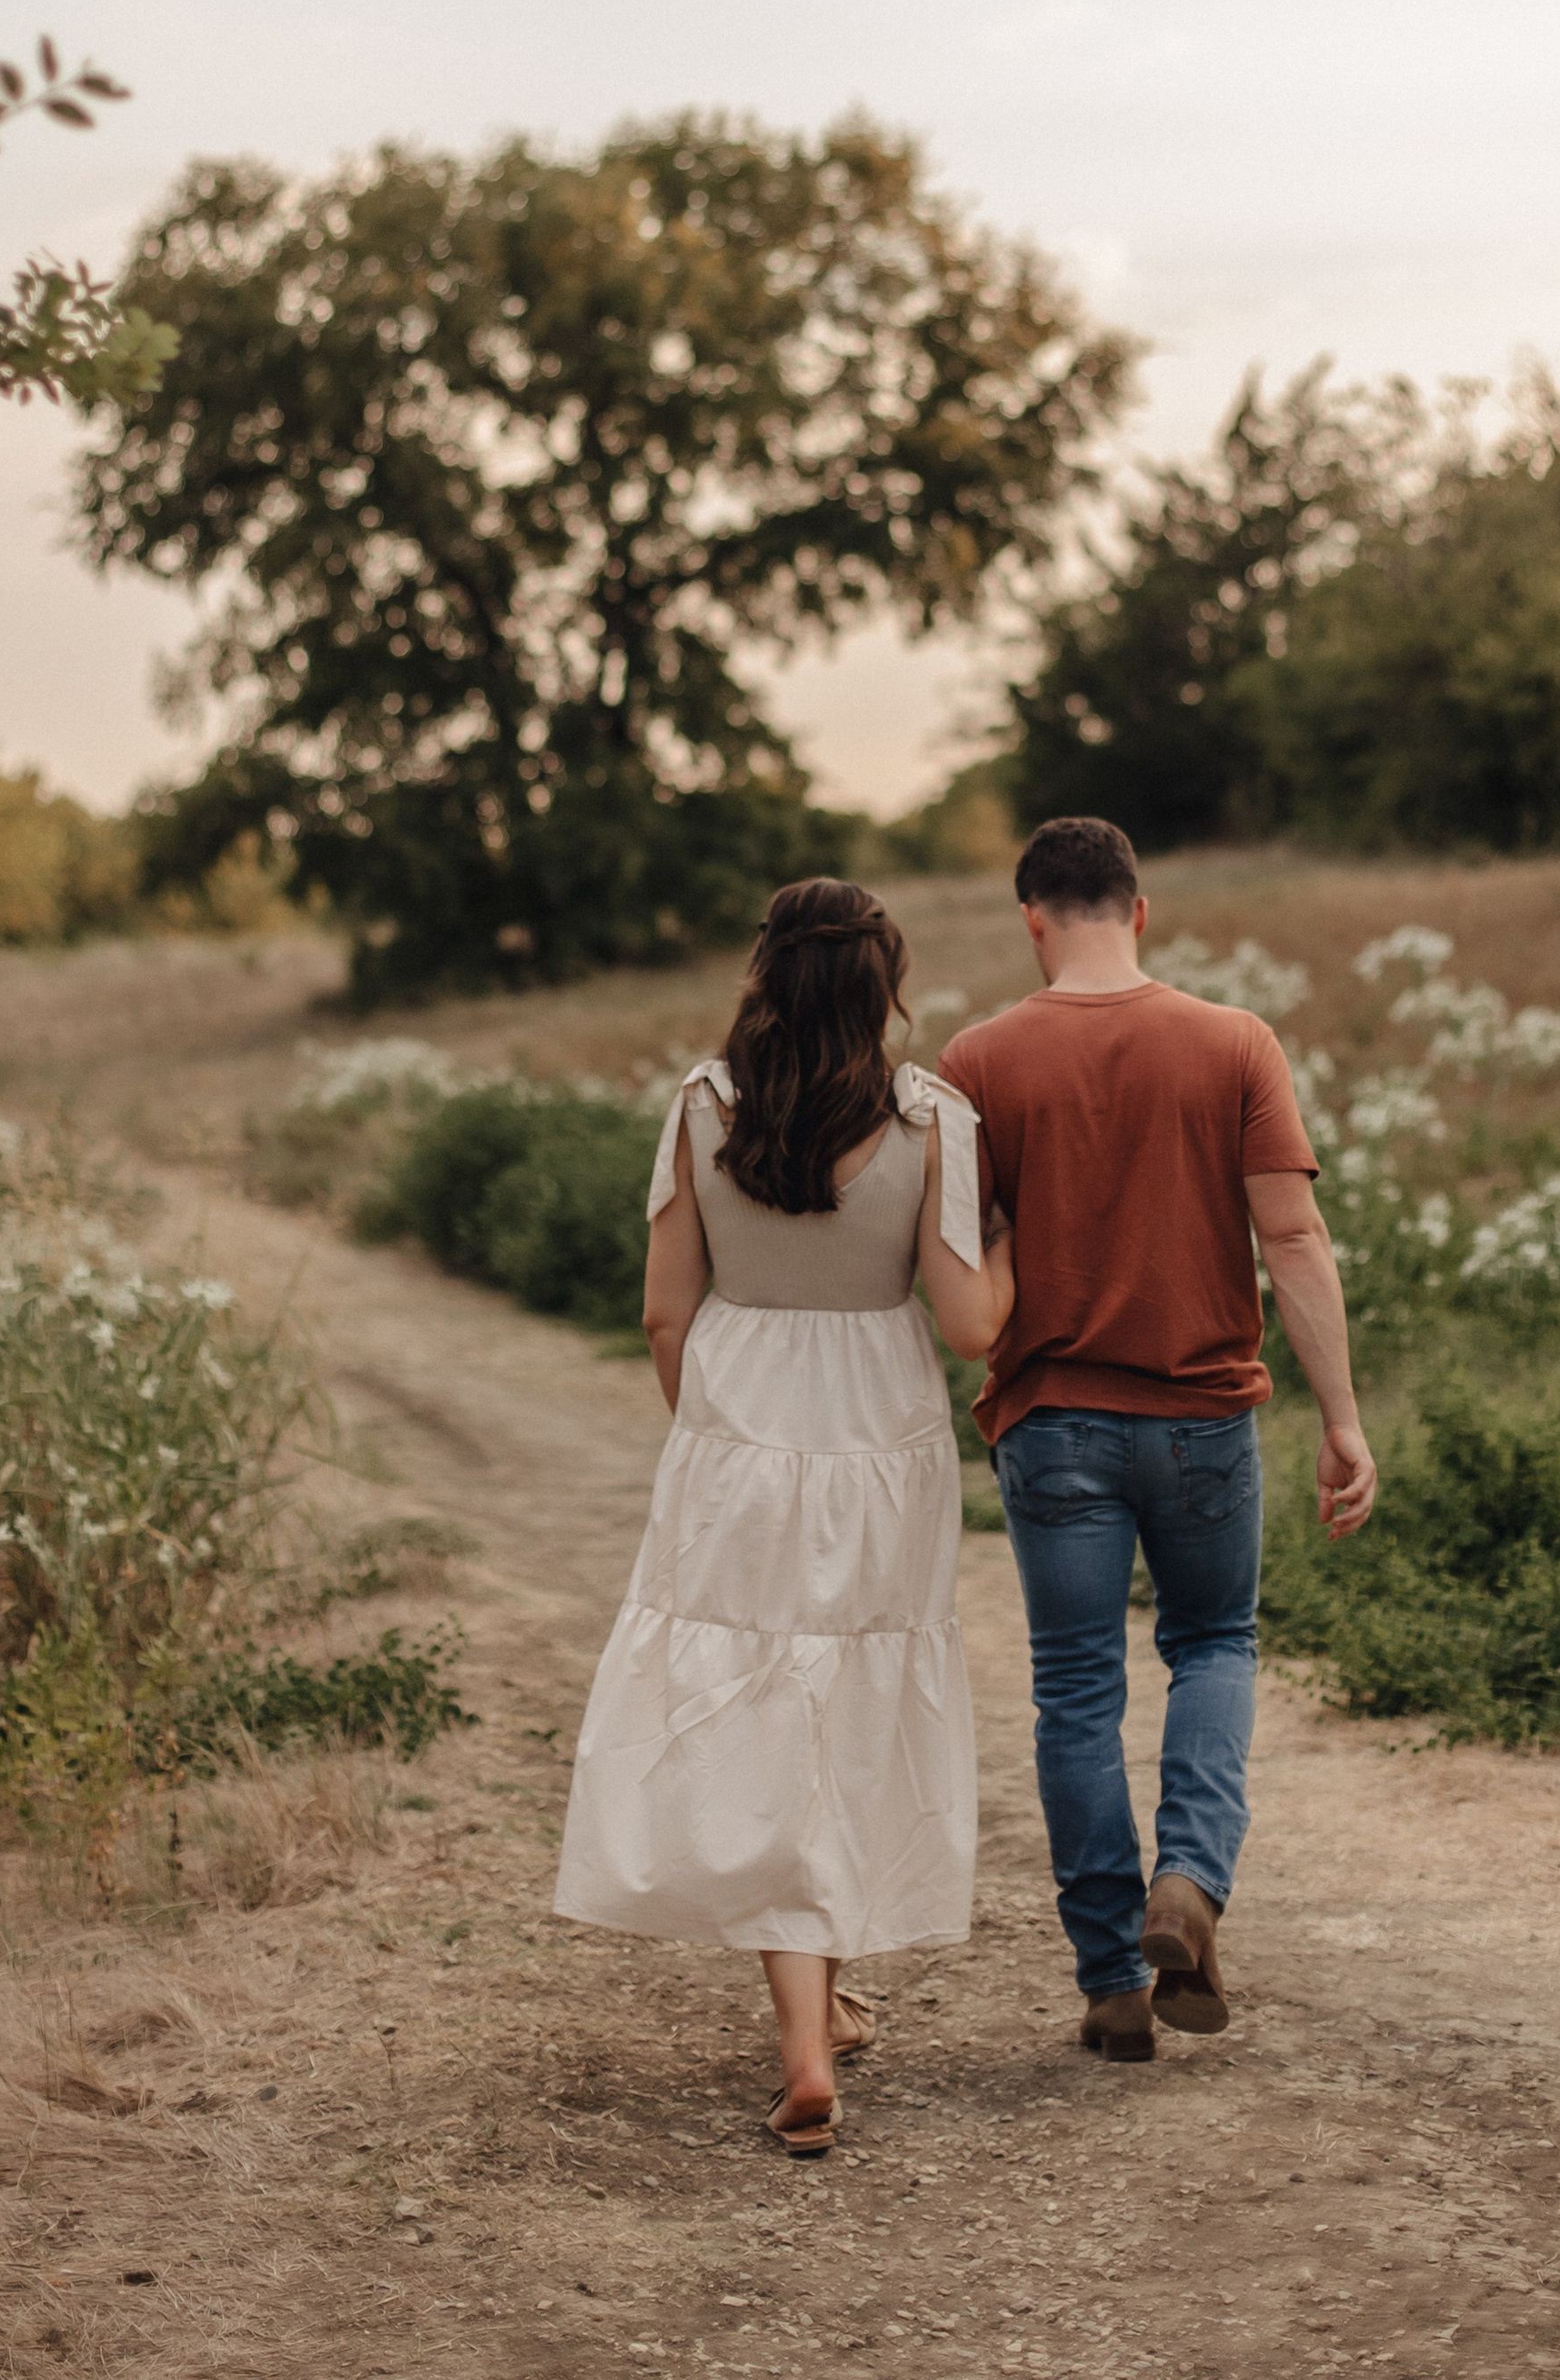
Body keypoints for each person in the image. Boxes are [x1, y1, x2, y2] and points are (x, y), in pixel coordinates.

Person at [554, 879, 1014, 2155]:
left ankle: (811, 2039)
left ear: (765, 975)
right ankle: (815, 2026)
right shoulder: (934, 1118)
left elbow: (664, 1312)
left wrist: (711, 1434)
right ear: (884, 986)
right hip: (881, 1438)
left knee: (760, 1712)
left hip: (738, 1428)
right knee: (847, 1701)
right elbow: (972, 1327)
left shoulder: (704, 1106)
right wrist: (1013, 1241)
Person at [936, 816, 1375, 2063]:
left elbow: (966, 1270)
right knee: (1215, 1643)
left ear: (1032, 919)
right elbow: (1292, 1237)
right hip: (1203, 1420)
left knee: (1077, 1687)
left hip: (1053, 1423)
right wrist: (1342, 1418)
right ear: (1140, 910)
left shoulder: (977, 1061)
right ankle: (1187, 1883)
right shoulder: (1234, 1042)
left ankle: (1111, 1983)